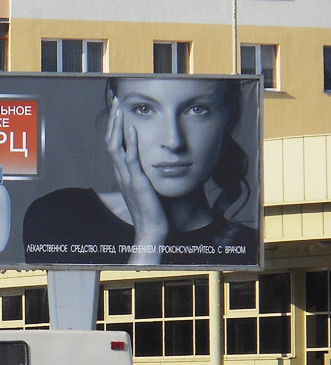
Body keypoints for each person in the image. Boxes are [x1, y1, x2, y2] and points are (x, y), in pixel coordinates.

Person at [23, 76, 257, 267]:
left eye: (197, 109)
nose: (173, 141)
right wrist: (150, 236)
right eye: (144, 109)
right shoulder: (59, 219)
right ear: (116, 112)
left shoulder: (247, 248)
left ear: (229, 115)